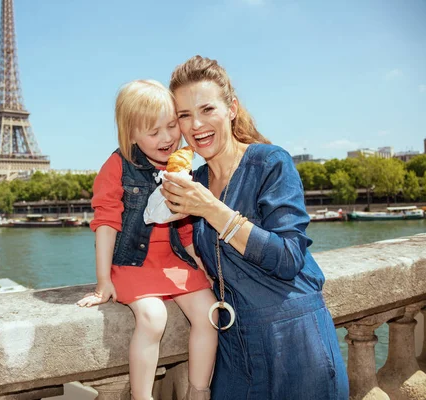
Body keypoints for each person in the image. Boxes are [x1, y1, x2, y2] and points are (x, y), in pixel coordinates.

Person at [161, 56, 349, 400]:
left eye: (207, 109)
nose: (196, 125)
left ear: (231, 109)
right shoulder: (193, 181)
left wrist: (212, 210)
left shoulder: (270, 162)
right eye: (185, 115)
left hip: (295, 340)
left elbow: (290, 257)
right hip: (233, 345)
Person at [77, 80, 218, 400]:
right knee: (153, 317)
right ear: (131, 135)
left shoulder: (181, 168)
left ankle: (199, 392)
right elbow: (106, 223)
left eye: (171, 126)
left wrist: (200, 264)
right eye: (154, 132)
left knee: (209, 312)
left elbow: (184, 226)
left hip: (172, 260)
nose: (167, 137)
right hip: (132, 264)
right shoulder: (116, 167)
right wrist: (103, 282)